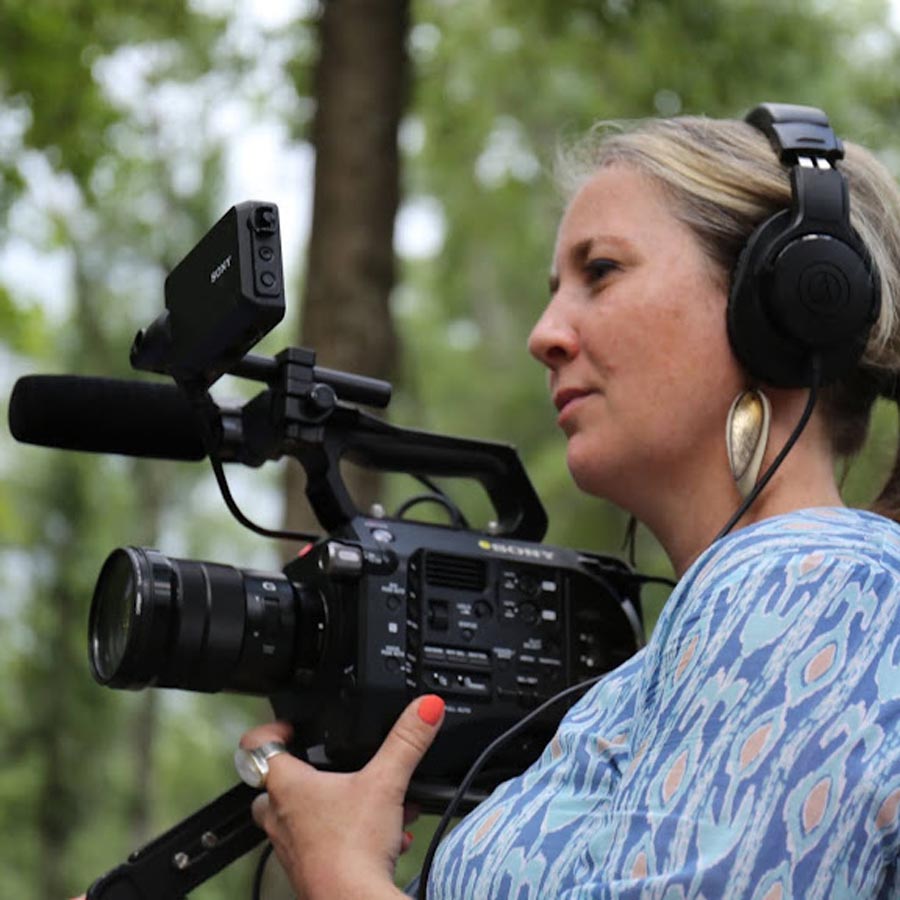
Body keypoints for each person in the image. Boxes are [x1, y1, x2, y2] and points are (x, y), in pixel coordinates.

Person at [236, 105, 900, 898]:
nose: (544, 334)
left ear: (781, 305)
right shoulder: (682, 654)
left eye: (603, 271)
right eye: (558, 289)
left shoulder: (814, 586)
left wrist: (339, 870)